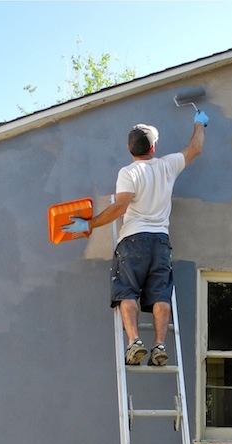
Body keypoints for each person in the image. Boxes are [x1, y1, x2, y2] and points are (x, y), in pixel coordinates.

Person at [62, 111, 209, 365]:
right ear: (153, 147)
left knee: (127, 291)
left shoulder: (128, 173)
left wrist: (89, 224)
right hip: (160, 242)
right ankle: (159, 345)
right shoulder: (168, 165)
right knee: (160, 295)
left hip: (134, 241)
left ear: (129, 148)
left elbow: (120, 207)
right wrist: (199, 123)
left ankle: (134, 342)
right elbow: (196, 147)